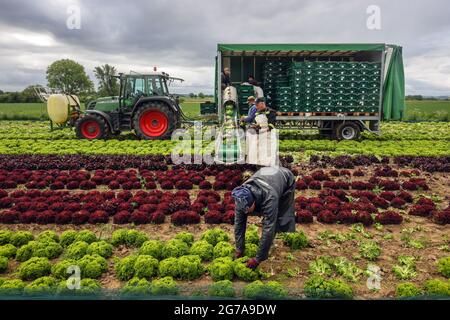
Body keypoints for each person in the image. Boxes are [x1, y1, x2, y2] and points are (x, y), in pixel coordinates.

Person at [232, 166, 296, 270]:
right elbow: (239, 224)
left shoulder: (270, 198)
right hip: (266, 175)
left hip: (285, 178)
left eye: (248, 210)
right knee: (248, 217)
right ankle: (266, 244)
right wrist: (239, 248)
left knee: (277, 217)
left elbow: (268, 227)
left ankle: (269, 244)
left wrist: (258, 258)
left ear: (253, 202)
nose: (246, 213)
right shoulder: (241, 197)